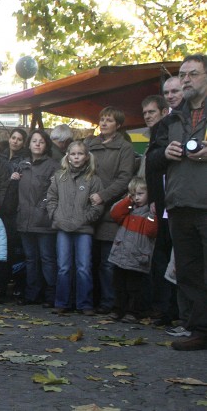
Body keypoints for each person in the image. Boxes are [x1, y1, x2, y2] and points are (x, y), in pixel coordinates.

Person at [147, 53, 207, 351]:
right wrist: (165, 153)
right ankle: (200, 330)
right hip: (180, 205)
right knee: (189, 272)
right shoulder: (171, 120)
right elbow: (151, 160)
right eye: (182, 74)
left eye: (193, 74)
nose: (186, 80)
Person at [47, 140, 104, 315]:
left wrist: (86, 219)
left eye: (80, 154)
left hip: (84, 229)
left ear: (86, 157)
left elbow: (97, 206)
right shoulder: (59, 177)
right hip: (62, 226)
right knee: (63, 266)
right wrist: (55, 215)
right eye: (73, 154)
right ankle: (62, 302)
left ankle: (85, 304)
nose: (76, 157)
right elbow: (51, 198)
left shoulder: (93, 179)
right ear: (68, 156)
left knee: (84, 267)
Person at [88, 106, 136, 314]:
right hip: (88, 211)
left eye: (109, 120)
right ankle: (91, 299)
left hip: (109, 212)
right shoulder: (90, 144)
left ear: (118, 124)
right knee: (90, 260)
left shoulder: (124, 148)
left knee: (107, 263)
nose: (104, 123)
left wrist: (103, 195)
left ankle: (109, 302)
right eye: (102, 119)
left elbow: (124, 178)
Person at [10, 129, 59, 307]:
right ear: (29, 144)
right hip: (24, 219)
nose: (37, 144)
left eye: (41, 141)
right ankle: (32, 294)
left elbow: (54, 192)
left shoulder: (53, 166)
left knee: (47, 258)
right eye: (34, 141)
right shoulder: (22, 165)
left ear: (46, 145)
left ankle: (51, 295)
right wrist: (13, 179)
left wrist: (43, 208)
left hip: (44, 220)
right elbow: (14, 193)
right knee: (30, 259)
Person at [140, 94, 178, 325]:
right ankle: (164, 308)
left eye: (151, 112)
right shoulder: (154, 136)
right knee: (160, 258)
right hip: (158, 205)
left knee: (173, 258)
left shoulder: (172, 132)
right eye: (144, 113)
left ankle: (173, 309)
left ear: (164, 112)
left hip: (173, 205)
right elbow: (152, 173)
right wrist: (153, 199)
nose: (147, 116)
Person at [107, 177, 158, 323]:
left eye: (140, 194)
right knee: (119, 285)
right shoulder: (128, 209)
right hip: (121, 254)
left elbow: (151, 231)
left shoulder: (149, 212)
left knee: (134, 287)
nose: (136, 198)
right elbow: (115, 213)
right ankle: (118, 309)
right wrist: (127, 200)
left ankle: (133, 311)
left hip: (138, 256)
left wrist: (153, 215)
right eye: (133, 194)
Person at [0, 127, 29, 301]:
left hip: (16, 210)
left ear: (23, 143)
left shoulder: (25, 161)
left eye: (19, 139)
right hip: (0, 209)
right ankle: (0, 286)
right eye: (13, 137)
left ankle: (18, 286)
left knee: (16, 251)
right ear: (9, 139)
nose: (15, 141)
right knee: (1, 249)